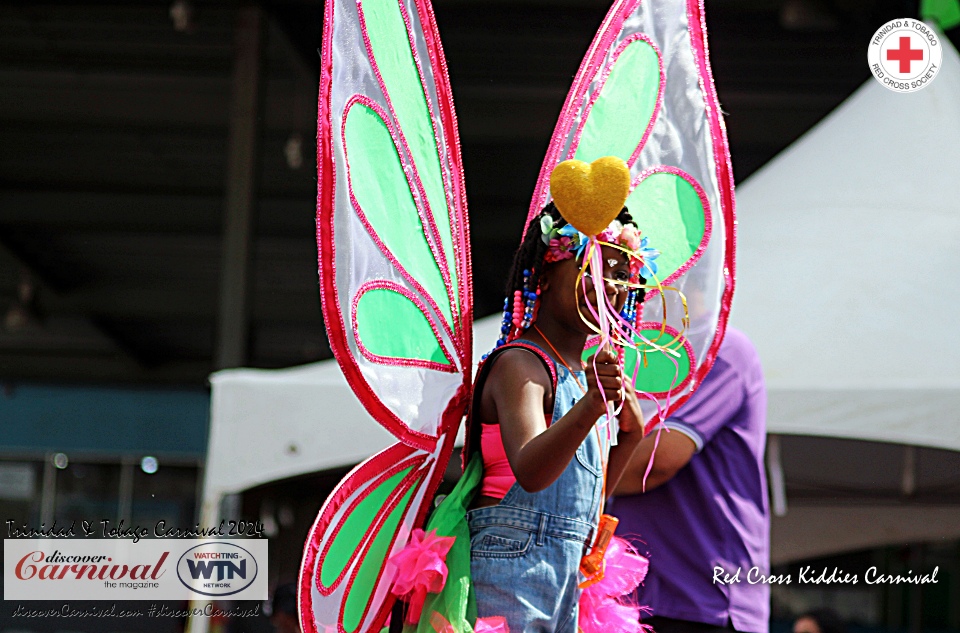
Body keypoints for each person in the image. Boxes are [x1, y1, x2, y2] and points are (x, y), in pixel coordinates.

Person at [465, 202, 650, 633]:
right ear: (544, 275)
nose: (610, 285)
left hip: (567, 580)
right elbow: (530, 470)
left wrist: (631, 436)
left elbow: (583, 497)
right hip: (510, 574)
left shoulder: (579, 374)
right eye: (594, 267)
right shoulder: (521, 365)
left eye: (622, 274)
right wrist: (590, 407)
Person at [609, 327, 769, 633]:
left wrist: (553, 479)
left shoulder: (718, 348)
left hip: (704, 602)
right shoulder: (627, 353)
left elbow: (655, 463)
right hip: (634, 600)